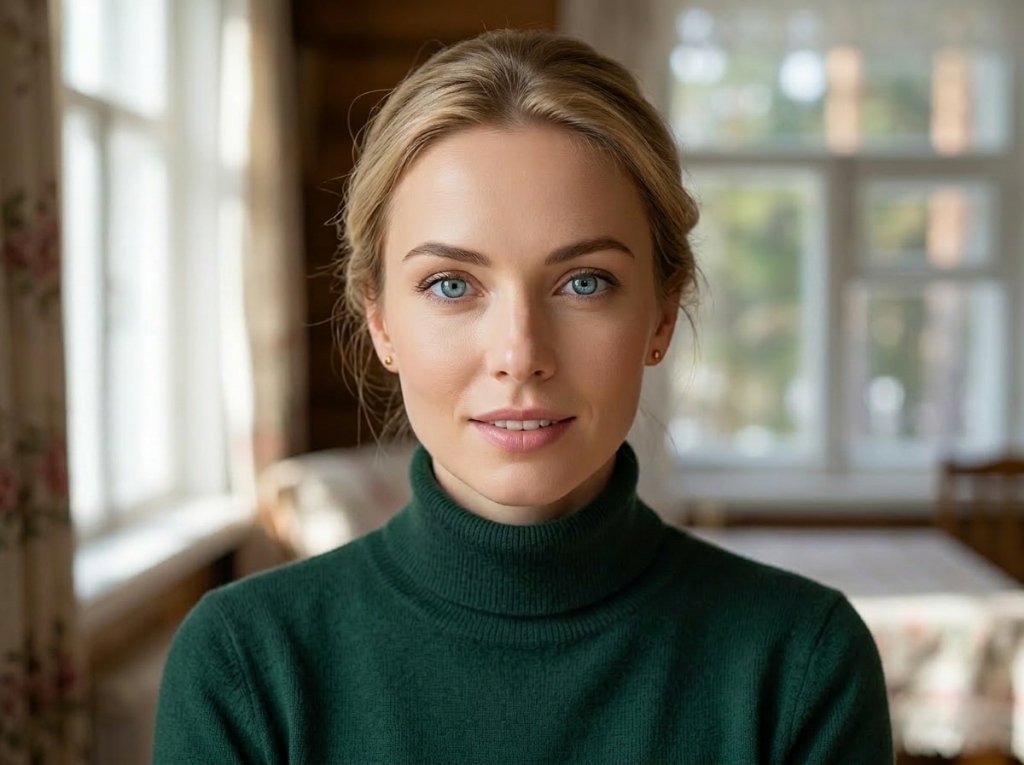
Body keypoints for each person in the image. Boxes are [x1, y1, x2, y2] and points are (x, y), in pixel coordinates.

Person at [153, 28, 893, 764]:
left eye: (584, 283)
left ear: (662, 315)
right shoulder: (245, 665)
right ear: (380, 321)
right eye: (451, 285)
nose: (520, 356)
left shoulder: (801, 665)